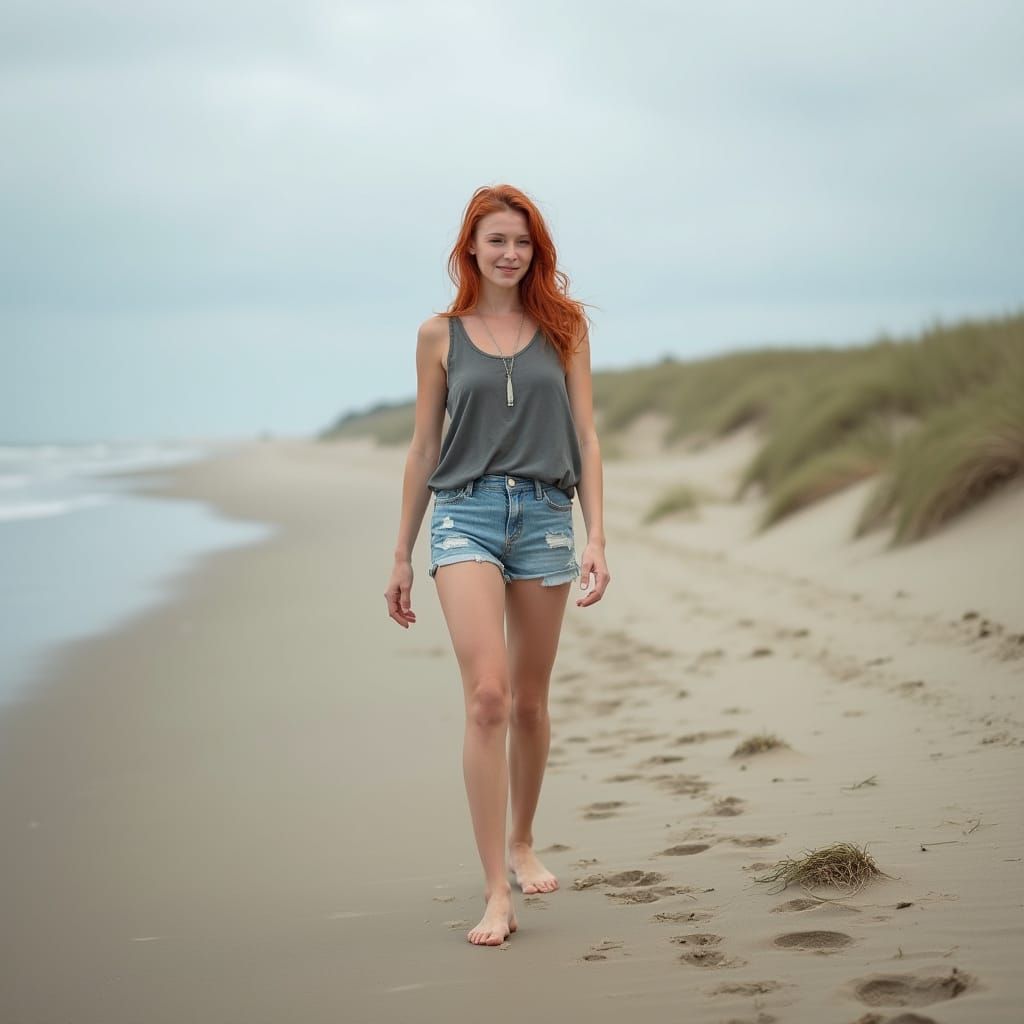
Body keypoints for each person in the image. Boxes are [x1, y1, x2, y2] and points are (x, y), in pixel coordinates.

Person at [384, 183, 611, 947]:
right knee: (487, 696)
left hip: (546, 517)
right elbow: (422, 449)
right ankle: (494, 891)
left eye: (521, 241)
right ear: (470, 250)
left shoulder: (567, 329)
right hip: (464, 515)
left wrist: (598, 536)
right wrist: (402, 555)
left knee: (529, 705)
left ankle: (523, 839)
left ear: (534, 250)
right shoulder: (439, 336)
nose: (508, 253)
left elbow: (585, 437)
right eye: (495, 241)